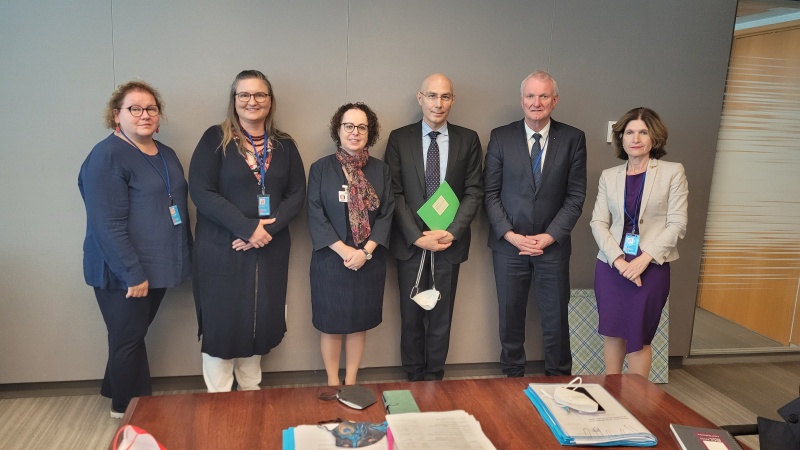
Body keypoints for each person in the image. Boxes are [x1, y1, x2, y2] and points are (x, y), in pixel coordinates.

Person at [79, 81, 191, 417]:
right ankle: (128, 409)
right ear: (117, 115)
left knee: (129, 334)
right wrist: (132, 273)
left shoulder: (164, 152)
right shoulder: (107, 155)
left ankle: (114, 388)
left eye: (151, 108)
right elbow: (106, 223)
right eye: (135, 108)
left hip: (155, 266)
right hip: (123, 270)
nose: (145, 115)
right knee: (128, 338)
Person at [189, 70, 306, 392]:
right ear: (234, 100)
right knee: (224, 322)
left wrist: (267, 231)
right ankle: (220, 398)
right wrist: (246, 228)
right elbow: (201, 191)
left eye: (260, 95)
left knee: (259, 318)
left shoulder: (284, 144)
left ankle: (251, 394)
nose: (252, 101)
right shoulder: (215, 139)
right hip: (222, 248)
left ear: (270, 101)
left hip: (269, 249)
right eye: (244, 95)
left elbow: (297, 194)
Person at [484, 70, 587, 377]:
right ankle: (512, 380)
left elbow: (576, 196)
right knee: (510, 318)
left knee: (555, 320)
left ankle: (559, 380)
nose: (536, 102)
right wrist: (512, 235)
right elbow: (490, 193)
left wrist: (550, 237)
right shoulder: (501, 136)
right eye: (530, 95)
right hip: (509, 246)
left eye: (544, 96)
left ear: (554, 100)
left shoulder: (573, 138)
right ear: (521, 100)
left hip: (552, 248)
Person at [384, 74, 483, 381]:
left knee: (441, 317)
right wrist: (416, 237)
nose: (438, 104)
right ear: (420, 98)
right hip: (411, 243)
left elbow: (474, 191)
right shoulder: (399, 139)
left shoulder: (468, 139)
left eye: (445, 97)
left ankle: (434, 379)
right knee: (411, 317)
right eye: (432, 96)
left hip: (447, 242)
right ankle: (413, 377)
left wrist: (451, 231)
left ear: (452, 100)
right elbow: (394, 192)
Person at [590, 107, 688, 378]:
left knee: (638, 336)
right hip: (612, 264)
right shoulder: (609, 176)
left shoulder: (672, 172)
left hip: (652, 266)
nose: (636, 138)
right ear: (620, 138)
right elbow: (598, 222)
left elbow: (677, 223)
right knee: (612, 332)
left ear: (654, 138)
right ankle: (611, 395)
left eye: (643, 132)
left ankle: (635, 404)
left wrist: (644, 259)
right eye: (629, 132)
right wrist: (620, 261)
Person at [307, 102, 394, 386]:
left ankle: (352, 381)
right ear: (338, 129)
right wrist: (346, 251)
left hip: (368, 260)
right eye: (348, 126)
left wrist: (365, 253)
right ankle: (333, 383)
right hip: (331, 259)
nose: (355, 132)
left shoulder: (381, 170)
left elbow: (387, 214)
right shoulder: (320, 168)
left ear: (370, 132)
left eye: (361, 127)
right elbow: (315, 214)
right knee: (330, 326)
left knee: (359, 324)